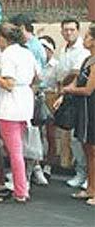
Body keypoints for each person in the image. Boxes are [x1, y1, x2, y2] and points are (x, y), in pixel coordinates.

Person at [0, 23, 40, 203]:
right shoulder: (27, 52)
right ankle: (20, 186)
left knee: (14, 151)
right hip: (25, 103)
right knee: (17, 148)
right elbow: (37, 77)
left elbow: (8, 84)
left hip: (9, 107)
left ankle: (20, 190)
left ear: (3, 38)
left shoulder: (8, 55)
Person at [11, 14, 49, 186]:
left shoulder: (30, 48)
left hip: (30, 95)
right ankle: (34, 170)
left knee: (28, 136)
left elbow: (37, 76)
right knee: (32, 135)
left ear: (21, 28)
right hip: (33, 94)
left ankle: (26, 174)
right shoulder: (36, 46)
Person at [60, 23, 95, 206]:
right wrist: (66, 90)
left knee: (93, 149)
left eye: (89, 36)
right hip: (84, 109)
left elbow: (88, 89)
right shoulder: (87, 60)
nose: (86, 39)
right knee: (87, 148)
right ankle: (90, 188)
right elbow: (77, 81)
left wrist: (70, 90)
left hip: (92, 108)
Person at [55, 18, 90, 189]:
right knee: (72, 137)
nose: (68, 33)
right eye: (66, 30)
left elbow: (75, 74)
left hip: (79, 97)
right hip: (67, 96)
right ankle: (81, 172)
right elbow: (61, 74)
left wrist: (65, 90)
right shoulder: (63, 50)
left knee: (81, 138)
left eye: (72, 30)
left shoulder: (83, 51)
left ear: (78, 31)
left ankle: (86, 175)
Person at [39, 35, 60, 180]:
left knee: (50, 134)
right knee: (37, 133)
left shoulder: (56, 65)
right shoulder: (37, 63)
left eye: (45, 48)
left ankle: (49, 164)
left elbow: (59, 85)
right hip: (38, 98)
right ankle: (37, 163)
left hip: (51, 97)